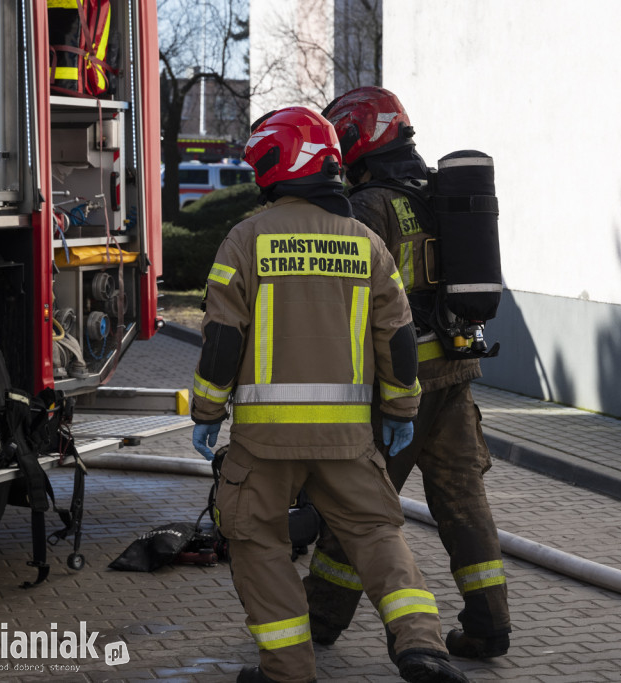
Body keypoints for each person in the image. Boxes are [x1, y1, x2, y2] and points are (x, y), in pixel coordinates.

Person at [190, 106, 469, 683]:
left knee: (253, 536)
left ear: (274, 165)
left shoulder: (244, 240)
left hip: (264, 443)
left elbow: (221, 341)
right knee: (376, 534)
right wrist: (400, 409)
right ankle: (422, 647)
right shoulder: (366, 244)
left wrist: (207, 410)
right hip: (349, 439)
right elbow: (397, 341)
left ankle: (289, 670)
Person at [302, 87, 512, 660]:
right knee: (465, 504)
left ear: (357, 139)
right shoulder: (439, 194)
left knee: (360, 510)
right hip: (457, 373)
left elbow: (352, 304)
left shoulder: (369, 206)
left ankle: (318, 621)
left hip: (401, 386)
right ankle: (489, 625)